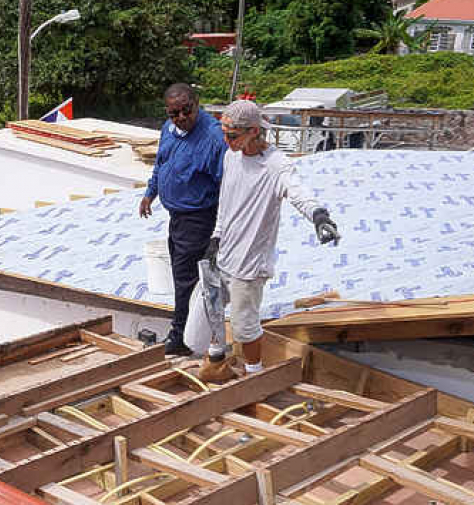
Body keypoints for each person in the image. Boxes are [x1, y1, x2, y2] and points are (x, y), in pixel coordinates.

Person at [204, 99, 340, 378]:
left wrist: (319, 215)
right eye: (224, 134)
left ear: (254, 131)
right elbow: (226, 201)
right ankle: (216, 362)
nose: (227, 140)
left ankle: (254, 373)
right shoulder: (232, 156)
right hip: (225, 251)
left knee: (244, 325)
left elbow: (298, 192)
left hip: (249, 262)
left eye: (232, 135)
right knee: (212, 307)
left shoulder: (276, 165)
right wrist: (216, 236)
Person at [138, 83, 227, 357]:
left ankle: (181, 338)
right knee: (183, 277)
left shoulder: (213, 137)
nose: (180, 118)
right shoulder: (168, 129)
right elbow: (161, 163)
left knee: (187, 280)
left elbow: (227, 186)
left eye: (186, 111)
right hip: (177, 217)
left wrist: (220, 230)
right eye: (173, 113)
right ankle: (193, 333)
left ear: (197, 104)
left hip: (199, 218)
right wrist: (150, 193)